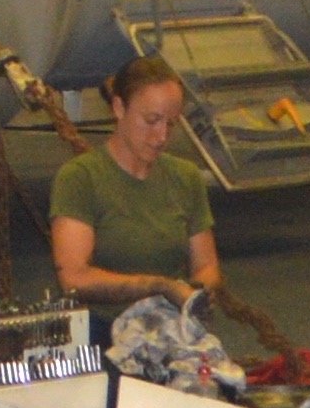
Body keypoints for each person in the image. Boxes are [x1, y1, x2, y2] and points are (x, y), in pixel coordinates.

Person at [48, 57, 225, 329]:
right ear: (119, 107)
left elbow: (206, 265)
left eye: (171, 124)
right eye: (151, 120)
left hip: (170, 324)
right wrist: (159, 287)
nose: (162, 136)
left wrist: (196, 292)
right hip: (101, 327)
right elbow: (74, 278)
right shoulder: (80, 178)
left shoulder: (186, 177)